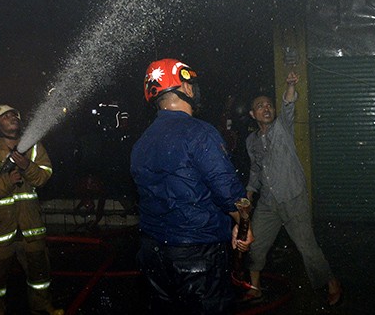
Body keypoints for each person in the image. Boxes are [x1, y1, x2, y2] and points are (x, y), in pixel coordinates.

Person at [131, 58, 254, 314]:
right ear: (185, 88)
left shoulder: (142, 141)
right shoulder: (200, 132)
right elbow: (228, 192)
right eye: (191, 84)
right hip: (197, 256)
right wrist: (242, 224)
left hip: (152, 254)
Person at [245, 71, 342, 305]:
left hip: (293, 198)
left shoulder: (282, 127)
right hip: (268, 203)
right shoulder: (251, 141)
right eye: (260, 106)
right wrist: (248, 195)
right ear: (252, 114)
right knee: (255, 243)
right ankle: (254, 287)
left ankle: (332, 283)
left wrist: (290, 85)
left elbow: (288, 104)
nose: (266, 108)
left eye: (269, 105)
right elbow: (256, 170)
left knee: (307, 247)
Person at [0, 105, 63, 315]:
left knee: (40, 276)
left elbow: (44, 177)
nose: (12, 118)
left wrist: (27, 166)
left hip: (31, 228)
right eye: (5, 117)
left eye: (14, 115)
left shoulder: (35, 147)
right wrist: (7, 180)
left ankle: (43, 308)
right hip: (1, 230)